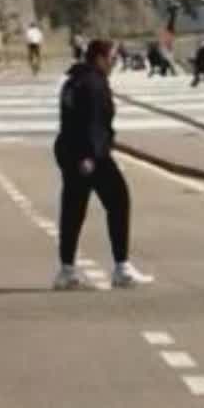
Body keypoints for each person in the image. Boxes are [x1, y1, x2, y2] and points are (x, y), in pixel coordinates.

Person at [54, 40, 152, 290]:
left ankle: (67, 270)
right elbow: (94, 123)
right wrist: (93, 155)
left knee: (73, 211)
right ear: (99, 58)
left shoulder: (72, 81)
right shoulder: (95, 83)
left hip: (70, 153)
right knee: (119, 200)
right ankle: (121, 268)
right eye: (112, 58)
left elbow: (69, 121)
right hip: (90, 156)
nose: (114, 63)